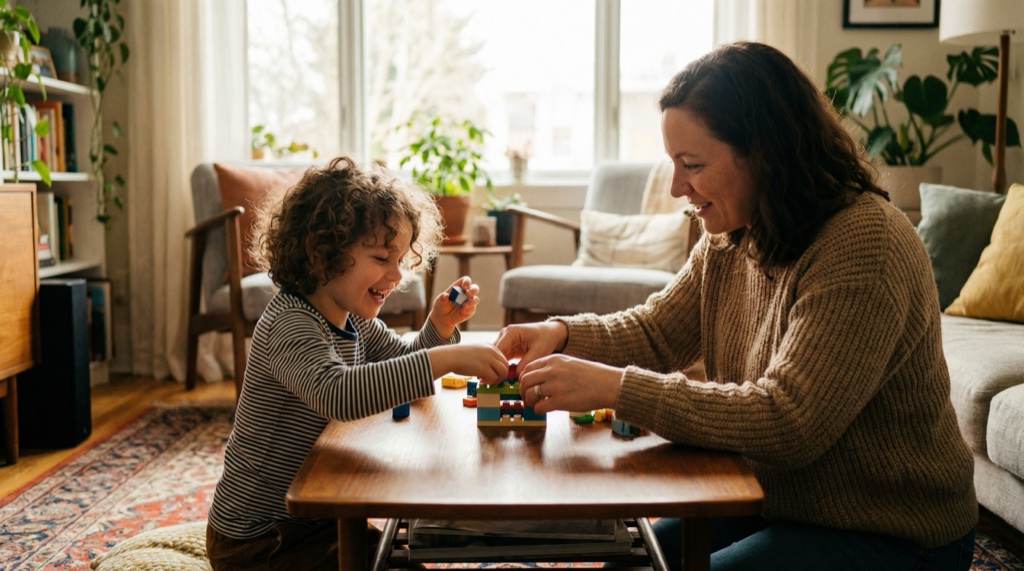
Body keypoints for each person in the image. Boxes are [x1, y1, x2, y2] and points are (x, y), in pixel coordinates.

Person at [495, 42, 976, 571]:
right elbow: (658, 332)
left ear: (765, 152)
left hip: (893, 530)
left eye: (692, 164)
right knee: (628, 560)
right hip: (777, 499)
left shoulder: (865, 241)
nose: (678, 186)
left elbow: (790, 422)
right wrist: (561, 335)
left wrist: (617, 388)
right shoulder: (735, 231)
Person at [206, 156, 508, 570]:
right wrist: (447, 357)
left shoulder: (350, 318)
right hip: (260, 542)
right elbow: (339, 393)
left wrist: (437, 329)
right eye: (383, 259)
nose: (396, 275)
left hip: (312, 523)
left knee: (401, 558)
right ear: (323, 252)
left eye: (400, 260)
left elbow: (405, 365)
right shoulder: (290, 324)